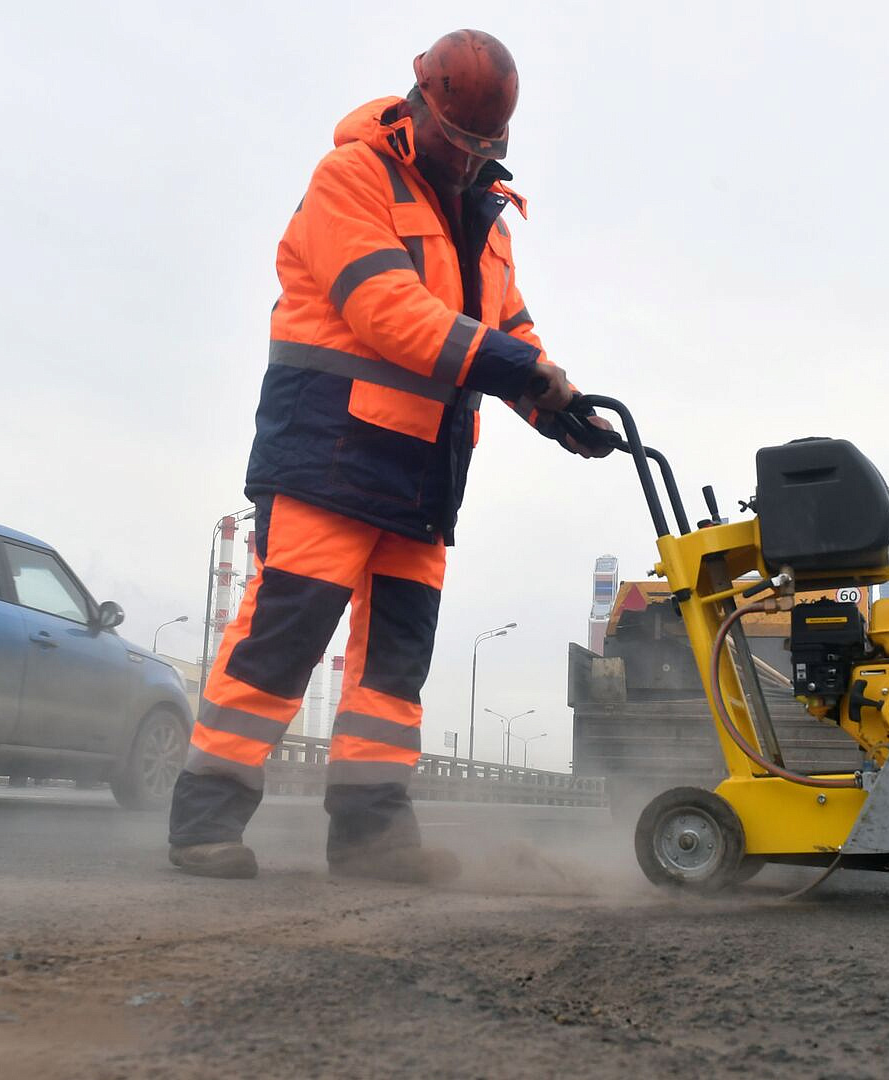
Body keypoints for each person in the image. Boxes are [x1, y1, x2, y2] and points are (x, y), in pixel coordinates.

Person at [167, 30, 610, 884]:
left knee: (393, 667)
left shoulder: (486, 218)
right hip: (330, 450)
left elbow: (507, 328)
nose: (470, 161)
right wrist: (524, 373)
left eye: (487, 149)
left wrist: (561, 409)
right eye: (460, 144)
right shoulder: (352, 178)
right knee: (281, 640)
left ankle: (372, 836)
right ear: (421, 107)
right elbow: (385, 310)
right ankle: (205, 822)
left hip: (424, 472)